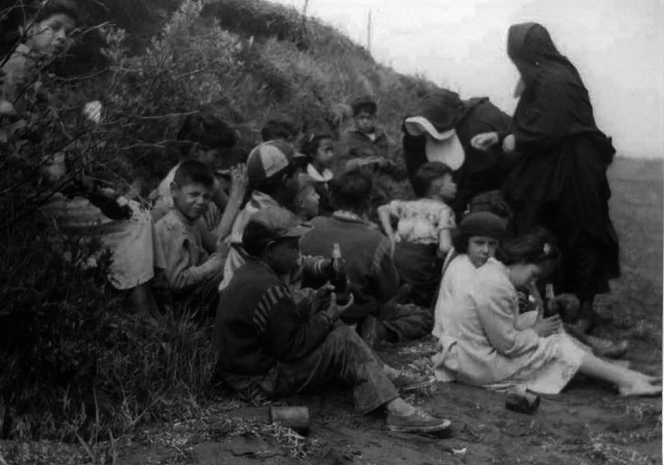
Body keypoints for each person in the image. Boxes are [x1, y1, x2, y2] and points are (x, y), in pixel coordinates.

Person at [213, 206, 450, 434]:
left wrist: (318, 298)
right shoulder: (269, 287)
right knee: (342, 337)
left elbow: (281, 321)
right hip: (257, 383)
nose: (298, 255)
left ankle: (382, 376)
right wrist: (328, 316)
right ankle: (397, 409)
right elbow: (291, 347)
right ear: (271, 250)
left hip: (244, 372)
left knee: (334, 324)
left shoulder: (251, 272)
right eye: (293, 247)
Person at [471, 23, 620, 335]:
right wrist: (501, 136)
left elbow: (552, 126)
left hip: (574, 169)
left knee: (580, 233)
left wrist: (518, 140)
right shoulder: (549, 74)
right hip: (553, 165)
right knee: (540, 229)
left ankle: (585, 311)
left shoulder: (554, 78)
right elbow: (538, 120)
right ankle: (538, 301)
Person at [431, 226, 660, 397]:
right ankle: (625, 380)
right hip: (474, 363)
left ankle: (603, 368)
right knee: (555, 344)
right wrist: (537, 331)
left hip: (465, 350)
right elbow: (507, 346)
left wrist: (534, 318)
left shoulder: (491, 269)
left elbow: (504, 325)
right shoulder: (495, 284)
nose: (532, 283)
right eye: (533, 275)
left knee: (540, 323)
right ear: (521, 259)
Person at [300, 170, 432, 344]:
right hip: (354, 316)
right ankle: (379, 331)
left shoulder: (311, 225)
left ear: (332, 198)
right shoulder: (377, 241)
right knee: (424, 316)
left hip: (313, 314)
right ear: (368, 203)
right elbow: (387, 292)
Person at [402, 90, 513, 217]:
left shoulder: (480, 121)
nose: (427, 137)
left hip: (498, 191)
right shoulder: (416, 137)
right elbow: (418, 172)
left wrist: (456, 208)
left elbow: (481, 174)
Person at [219, 140, 307, 291]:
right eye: (298, 175)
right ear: (286, 180)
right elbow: (287, 272)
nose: (301, 179)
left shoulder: (253, 207)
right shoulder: (271, 220)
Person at [155, 160, 234, 311]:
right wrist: (216, 261)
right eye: (194, 195)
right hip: (175, 305)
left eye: (207, 197)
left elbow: (199, 260)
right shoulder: (173, 227)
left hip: (188, 294)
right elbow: (176, 282)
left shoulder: (191, 222)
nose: (201, 202)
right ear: (174, 190)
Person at [150, 111, 243, 237]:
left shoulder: (204, 178)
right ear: (195, 150)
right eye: (216, 156)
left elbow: (236, 216)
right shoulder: (175, 189)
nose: (220, 163)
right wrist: (236, 197)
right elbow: (213, 243)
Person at [377, 162, 457, 306]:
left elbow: (382, 209)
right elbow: (445, 247)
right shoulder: (444, 211)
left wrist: (390, 234)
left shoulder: (407, 205)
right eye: (451, 181)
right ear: (437, 187)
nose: (455, 185)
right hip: (421, 277)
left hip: (396, 268)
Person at [1, 0, 77, 110]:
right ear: (31, 28)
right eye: (55, 27)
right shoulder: (17, 67)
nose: (63, 37)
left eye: (68, 33)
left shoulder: (37, 69)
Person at [337, 95, 390, 161]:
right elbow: (341, 164)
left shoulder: (381, 136)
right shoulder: (347, 138)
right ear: (354, 118)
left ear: (374, 118)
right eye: (361, 118)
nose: (365, 121)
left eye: (369, 118)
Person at [300, 130, 334, 215]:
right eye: (326, 150)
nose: (331, 155)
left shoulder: (330, 175)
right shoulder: (306, 178)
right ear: (312, 152)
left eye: (332, 150)